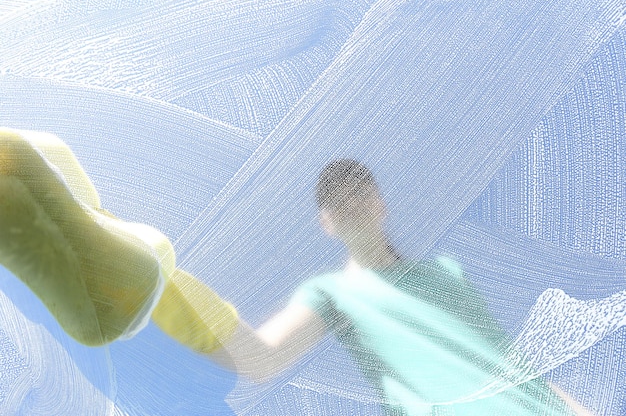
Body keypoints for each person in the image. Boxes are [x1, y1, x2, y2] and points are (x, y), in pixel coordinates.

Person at [0, 129, 592, 415]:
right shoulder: (333, 293)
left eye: (362, 194)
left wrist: (570, 404)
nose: (356, 207)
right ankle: (116, 277)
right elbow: (258, 360)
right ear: (327, 224)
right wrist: (160, 307)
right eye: (341, 204)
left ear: (380, 202)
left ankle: (117, 276)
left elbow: (503, 354)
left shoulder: (444, 275)